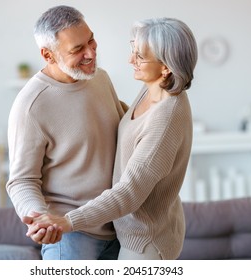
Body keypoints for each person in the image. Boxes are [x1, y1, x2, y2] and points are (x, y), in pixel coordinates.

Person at [25, 17, 198, 260]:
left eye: (140, 56)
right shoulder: (152, 89)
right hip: (127, 233)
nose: (131, 60)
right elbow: (125, 124)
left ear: (166, 66)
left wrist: (67, 221)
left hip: (145, 243)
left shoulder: (166, 116)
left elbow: (130, 192)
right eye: (133, 50)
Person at [6, 5, 125, 260]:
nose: (91, 53)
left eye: (91, 40)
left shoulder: (100, 79)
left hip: (121, 229)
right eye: (77, 49)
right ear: (48, 55)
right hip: (71, 238)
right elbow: (21, 180)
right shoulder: (31, 106)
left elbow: (127, 126)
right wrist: (40, 218)